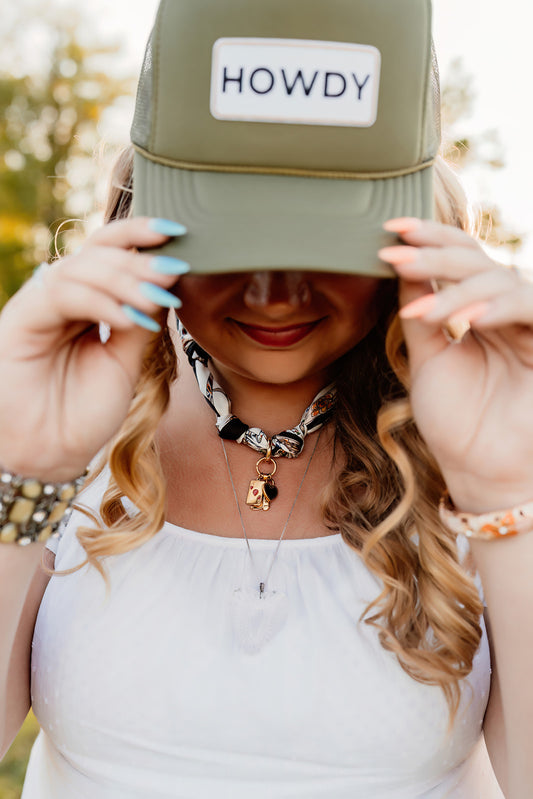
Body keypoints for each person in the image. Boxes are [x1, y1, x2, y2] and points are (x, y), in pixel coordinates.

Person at [0, 0, 532, 796]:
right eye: (234, 233)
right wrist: (23, 468)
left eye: (319, 238)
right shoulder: (69, 413)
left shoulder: (482, 436)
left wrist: (505, 491)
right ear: (152, 216)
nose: (274, 292)